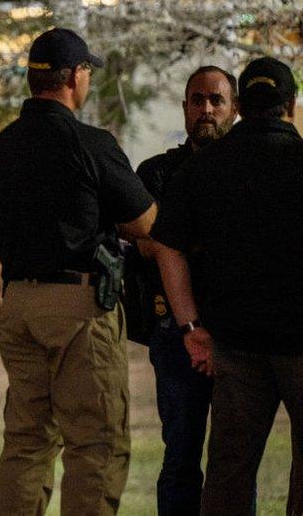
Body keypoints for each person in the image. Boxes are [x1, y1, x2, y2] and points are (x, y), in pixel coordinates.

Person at [0, 28, 156, 516]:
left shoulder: (6, 145)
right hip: (77, 308)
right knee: (96, 444)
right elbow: (145, 221)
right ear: (76, 77)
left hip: (18, 304)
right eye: (87, 73)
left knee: (26, 442)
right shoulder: (91, 142)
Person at [151, 56, 303, 516]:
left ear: (240, 106)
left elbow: (167, 246)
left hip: (235, 346)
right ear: (290, 106)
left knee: (229, 471)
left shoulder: (204, 168)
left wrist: (190, 325)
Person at [135, 66, 239, 515]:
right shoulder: (157, 173)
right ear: (184, 108)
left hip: (240, 335)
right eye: (197, 100)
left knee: (235, 461)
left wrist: (174, 241)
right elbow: (144, 242)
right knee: (180, 456)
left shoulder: (248, 171)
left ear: (234, 108)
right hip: (175, 334)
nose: (207, 110)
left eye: (216, 100)